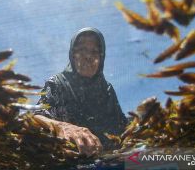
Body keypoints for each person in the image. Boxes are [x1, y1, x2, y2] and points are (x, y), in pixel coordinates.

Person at [34, 27, 127, 156]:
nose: (88, 56)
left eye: (95, 51)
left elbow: (123, 127)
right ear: (72, 55)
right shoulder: (57, 83)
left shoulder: (107, 90)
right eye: (82, 50)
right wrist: (62, 127)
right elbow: (36, 117)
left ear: (101, 58)